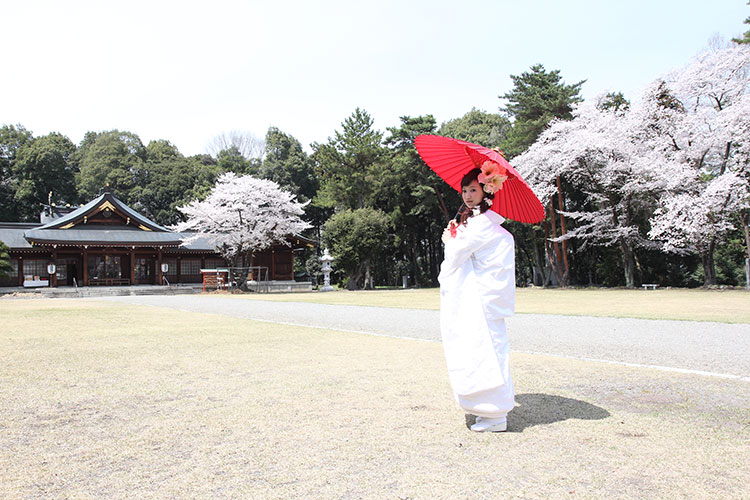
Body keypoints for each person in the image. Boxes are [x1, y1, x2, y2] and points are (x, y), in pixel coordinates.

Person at [438, 164, 516, 432]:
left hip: (480, 298)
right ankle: (488, 409)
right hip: (483, 297)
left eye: (473, 189)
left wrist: (451, 238)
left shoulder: (481, 223)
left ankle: (494, 414)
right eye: (464, 190)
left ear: (486, 190)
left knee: (486, 351)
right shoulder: (481, 221)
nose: (468, 195)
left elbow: (457, 255)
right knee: (485, 349)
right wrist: (458, 232)